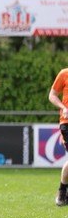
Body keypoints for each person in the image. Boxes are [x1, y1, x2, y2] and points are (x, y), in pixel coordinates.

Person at [48, 68, 68, 206]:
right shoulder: (64, 73)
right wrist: (63, 107)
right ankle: (62, 192)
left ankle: (63, 190)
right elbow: (52, 95)